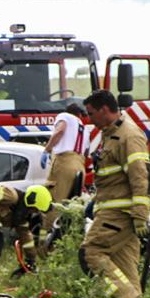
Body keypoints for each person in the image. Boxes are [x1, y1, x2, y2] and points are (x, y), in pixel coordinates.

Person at [81, 90, 150, 298]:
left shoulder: (128, 135)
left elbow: (140, 177)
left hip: (119, 212)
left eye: (91, 113)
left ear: (104, 109)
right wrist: (94, 201)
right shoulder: (110, 135)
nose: (89, 119)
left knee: (91, 252)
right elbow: (113, 178)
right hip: (111, 209)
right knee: (126, 272)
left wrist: (140, 214)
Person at [39, 103, 88, 248]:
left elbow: (60, 131)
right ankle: (69, 243)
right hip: (80, 165)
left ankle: (43, 247)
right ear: (80, 115)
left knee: (52, 204)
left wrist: (47, 150)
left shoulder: (64, 116)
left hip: (64, 162)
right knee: (72, 208)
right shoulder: (84, 128)